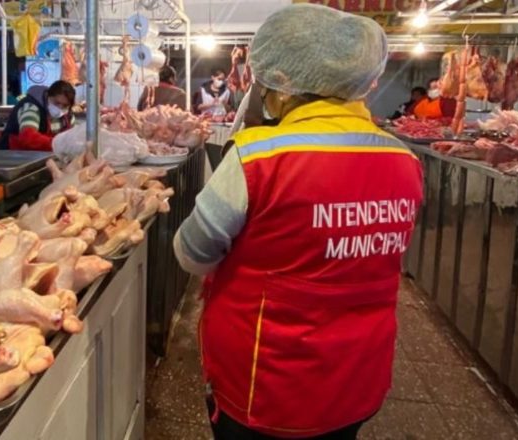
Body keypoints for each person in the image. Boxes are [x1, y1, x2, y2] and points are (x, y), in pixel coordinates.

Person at [173, 4, 423, 440]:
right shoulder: (404, 160)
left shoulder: (258, 156)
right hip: (356, 378)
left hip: (267, 382)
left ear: (284, 86)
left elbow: (192, 254)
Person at [0, 80, 76, 151]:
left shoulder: (68, 115)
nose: (60, 108)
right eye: (57, 103)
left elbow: (72, 136)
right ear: (48, 96)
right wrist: (57, 144)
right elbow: (27, 137)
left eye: (65, 105)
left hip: (41, 157)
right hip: (14, 156)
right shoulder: (31, 107)